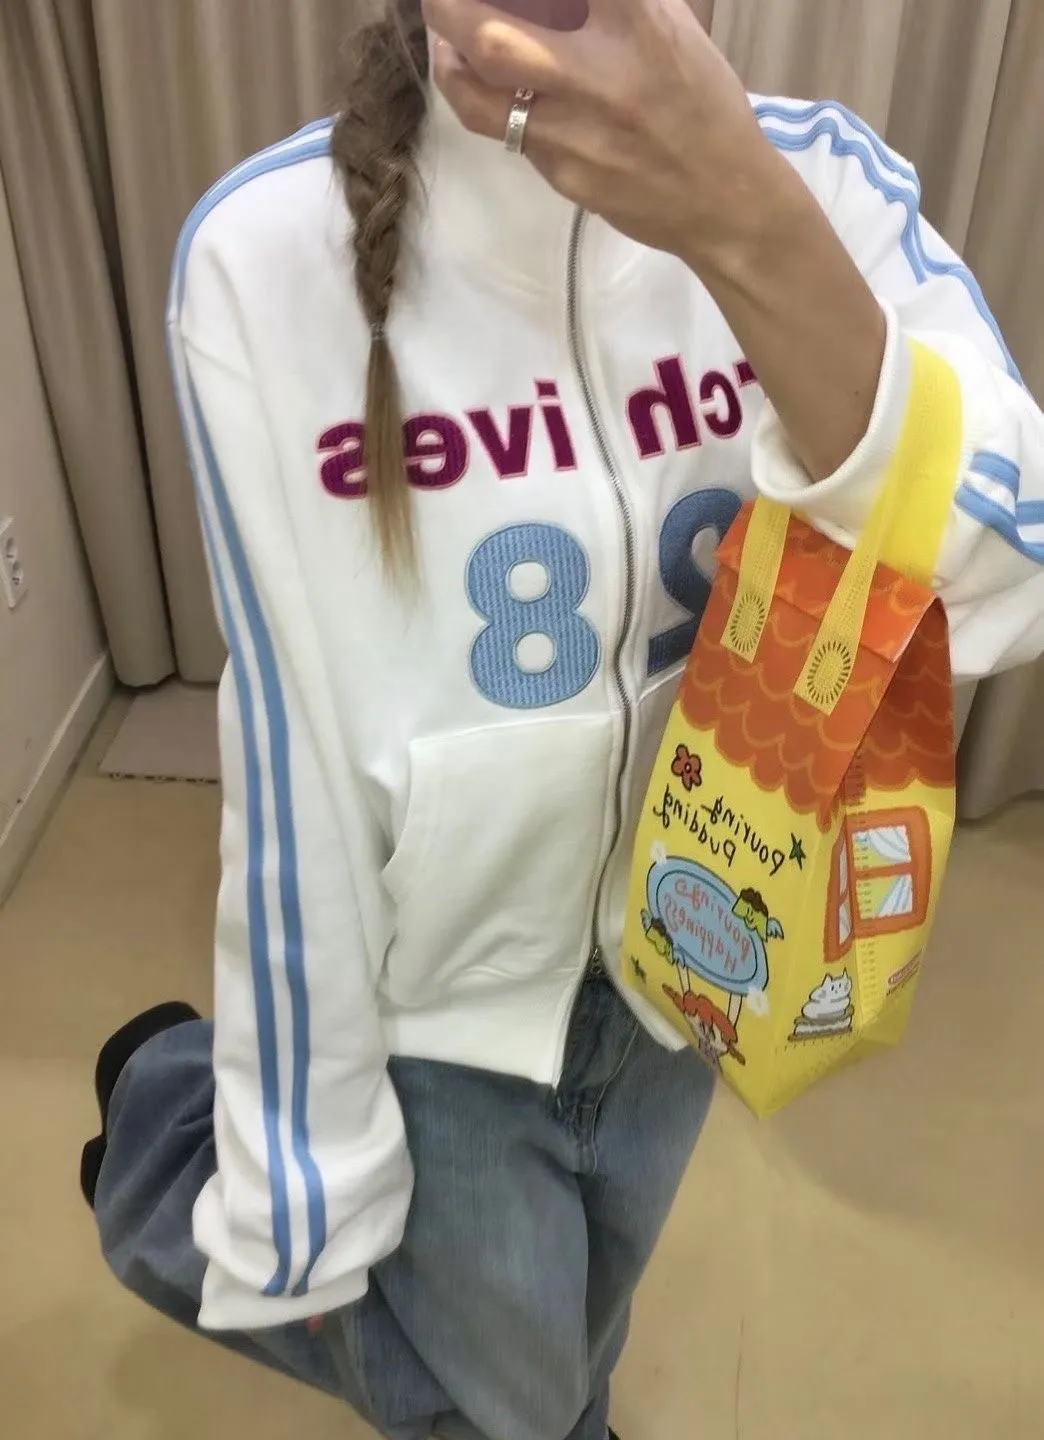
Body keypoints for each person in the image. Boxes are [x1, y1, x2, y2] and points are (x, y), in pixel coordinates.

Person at [81, 2, 1044, 1438]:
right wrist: (299, 1175)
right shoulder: (263, 257)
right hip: (439, 1015)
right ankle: (167, 1149)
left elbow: (1012, 574)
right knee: (511, 1407)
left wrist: (741, 221)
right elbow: (293, 767)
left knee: (576, 1339)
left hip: (690, 960)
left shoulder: (822, 183)